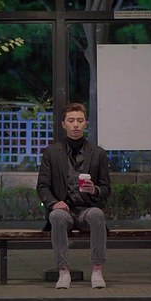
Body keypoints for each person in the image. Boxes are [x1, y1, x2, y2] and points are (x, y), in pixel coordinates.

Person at [36, 102, 112, 289]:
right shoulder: (52, 152)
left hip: (87, 210)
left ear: (86, 123)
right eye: (71, 121)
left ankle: (97, 270)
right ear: (64, 124)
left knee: (97, 214)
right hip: (65, 210)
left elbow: (106, 188)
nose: (76, 125)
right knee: (56, 215)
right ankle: (63, 271)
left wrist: (95, 190)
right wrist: (54, 203)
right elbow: (42, 186)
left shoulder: (98, 153)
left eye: (79, 120)